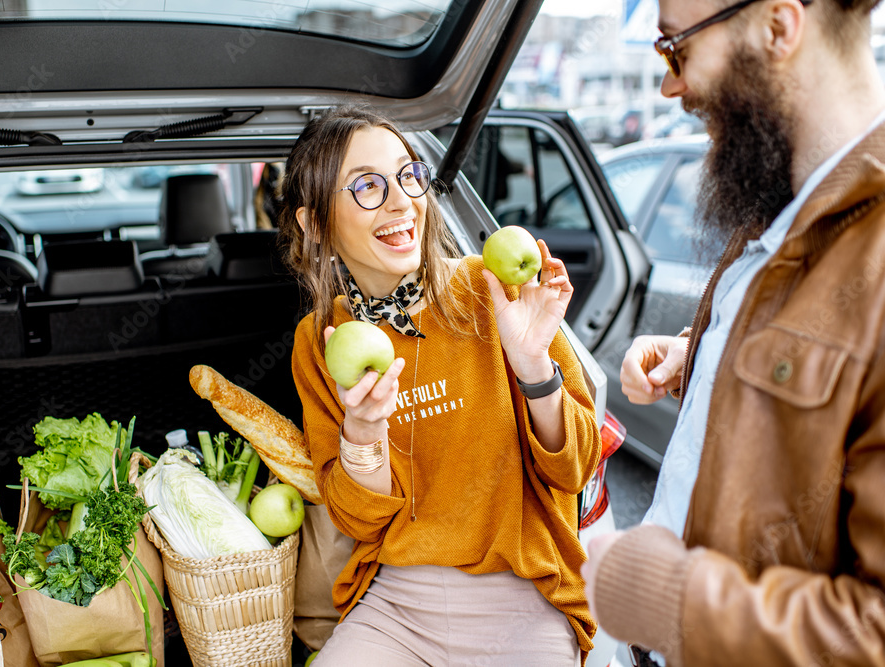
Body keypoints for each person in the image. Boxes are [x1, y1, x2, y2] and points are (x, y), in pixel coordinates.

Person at [581, 1, 885, 666]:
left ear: (778, 28)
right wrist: (706, 356)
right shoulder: (776, 205)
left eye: (676, 50)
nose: (669, 86)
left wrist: (670, 600)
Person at [280, 106, 602, 665]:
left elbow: (574, 470)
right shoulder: (320, 340)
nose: (402, 201)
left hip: (525, 596)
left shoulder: (493, 289)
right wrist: (363, 429)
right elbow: (357, 520)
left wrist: (532, 367)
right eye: (367, 187)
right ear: (314, 225)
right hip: (396, 606)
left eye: (408, 176)